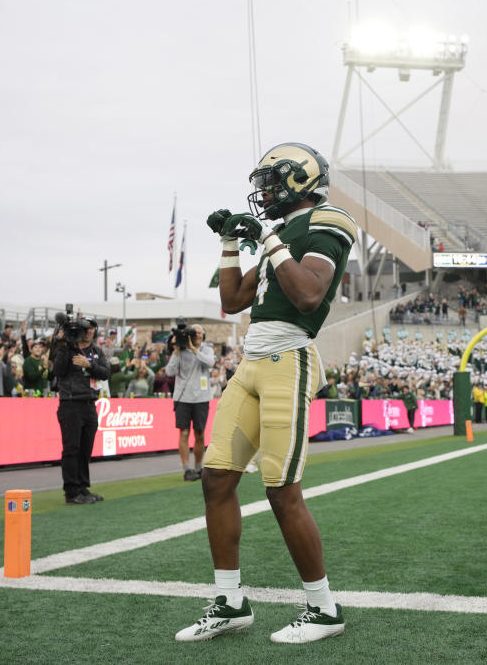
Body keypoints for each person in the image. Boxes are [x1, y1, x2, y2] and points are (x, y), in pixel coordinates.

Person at [176, 143, 351, 644]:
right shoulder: (285, 232)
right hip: (251, 365)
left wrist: (270, 238)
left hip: (288, 361)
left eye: (272, 181)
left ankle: (323, 608)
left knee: (281, 489)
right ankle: (230, 601)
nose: (263, 192)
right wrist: (232, 242)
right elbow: (233, 300)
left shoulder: (326, 220)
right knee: (215, 479)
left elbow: (308, 293)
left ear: (300, 180)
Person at [51, 316, 110, 505]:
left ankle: (82, 487)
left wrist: (89, 365)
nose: (89, 331)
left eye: (92, 328)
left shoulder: (96, 351)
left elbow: (105, 373)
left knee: (85, 449)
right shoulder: (66, 349)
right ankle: (71, 491)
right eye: (85, 328)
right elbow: (58, 371)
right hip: (70, 403)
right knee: (71, 449)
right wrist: (61, 344)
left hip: (90, 403)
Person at [165, 324, 214, 481]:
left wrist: (194, 350)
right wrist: (177, 351)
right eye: (194, 333)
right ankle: (187, 469)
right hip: (183, 398)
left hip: (201, 398)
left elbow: (210, 363)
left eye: (200, 333)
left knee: (199, 434)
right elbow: (169, 372)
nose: (197, 335)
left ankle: (199, 468)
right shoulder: (180, 351)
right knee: (184, 433)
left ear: (203, 335)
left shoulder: (207, 349)